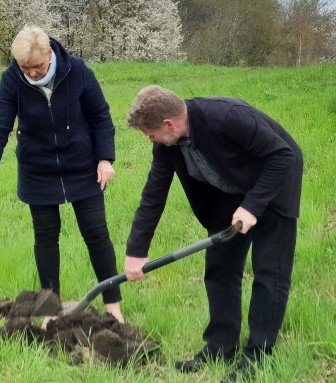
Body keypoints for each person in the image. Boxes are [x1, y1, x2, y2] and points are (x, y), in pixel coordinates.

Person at [123, 85, 302, 382]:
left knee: (270, 272)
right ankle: (221, 346)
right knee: (220, 268)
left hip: (274, 186)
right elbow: (153, 195)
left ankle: (259, 356)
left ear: (169, 124)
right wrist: (136, 250)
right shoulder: (167, 145)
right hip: (228, 195)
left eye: (149, 133)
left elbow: (282, 156)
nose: (149, 139)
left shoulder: (227, 116)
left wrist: (253, 206)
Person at [0, 26, 124, 323]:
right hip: (37, 168)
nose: (32, 72)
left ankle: (113, 305)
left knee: (96, 233)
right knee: (45, 236)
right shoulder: (12, 80)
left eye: (37, 66)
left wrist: (105, 158)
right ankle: (50, 309)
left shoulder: (77, 71)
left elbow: (101, 116)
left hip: (83, 166)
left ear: (50, 53)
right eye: (24, 67)